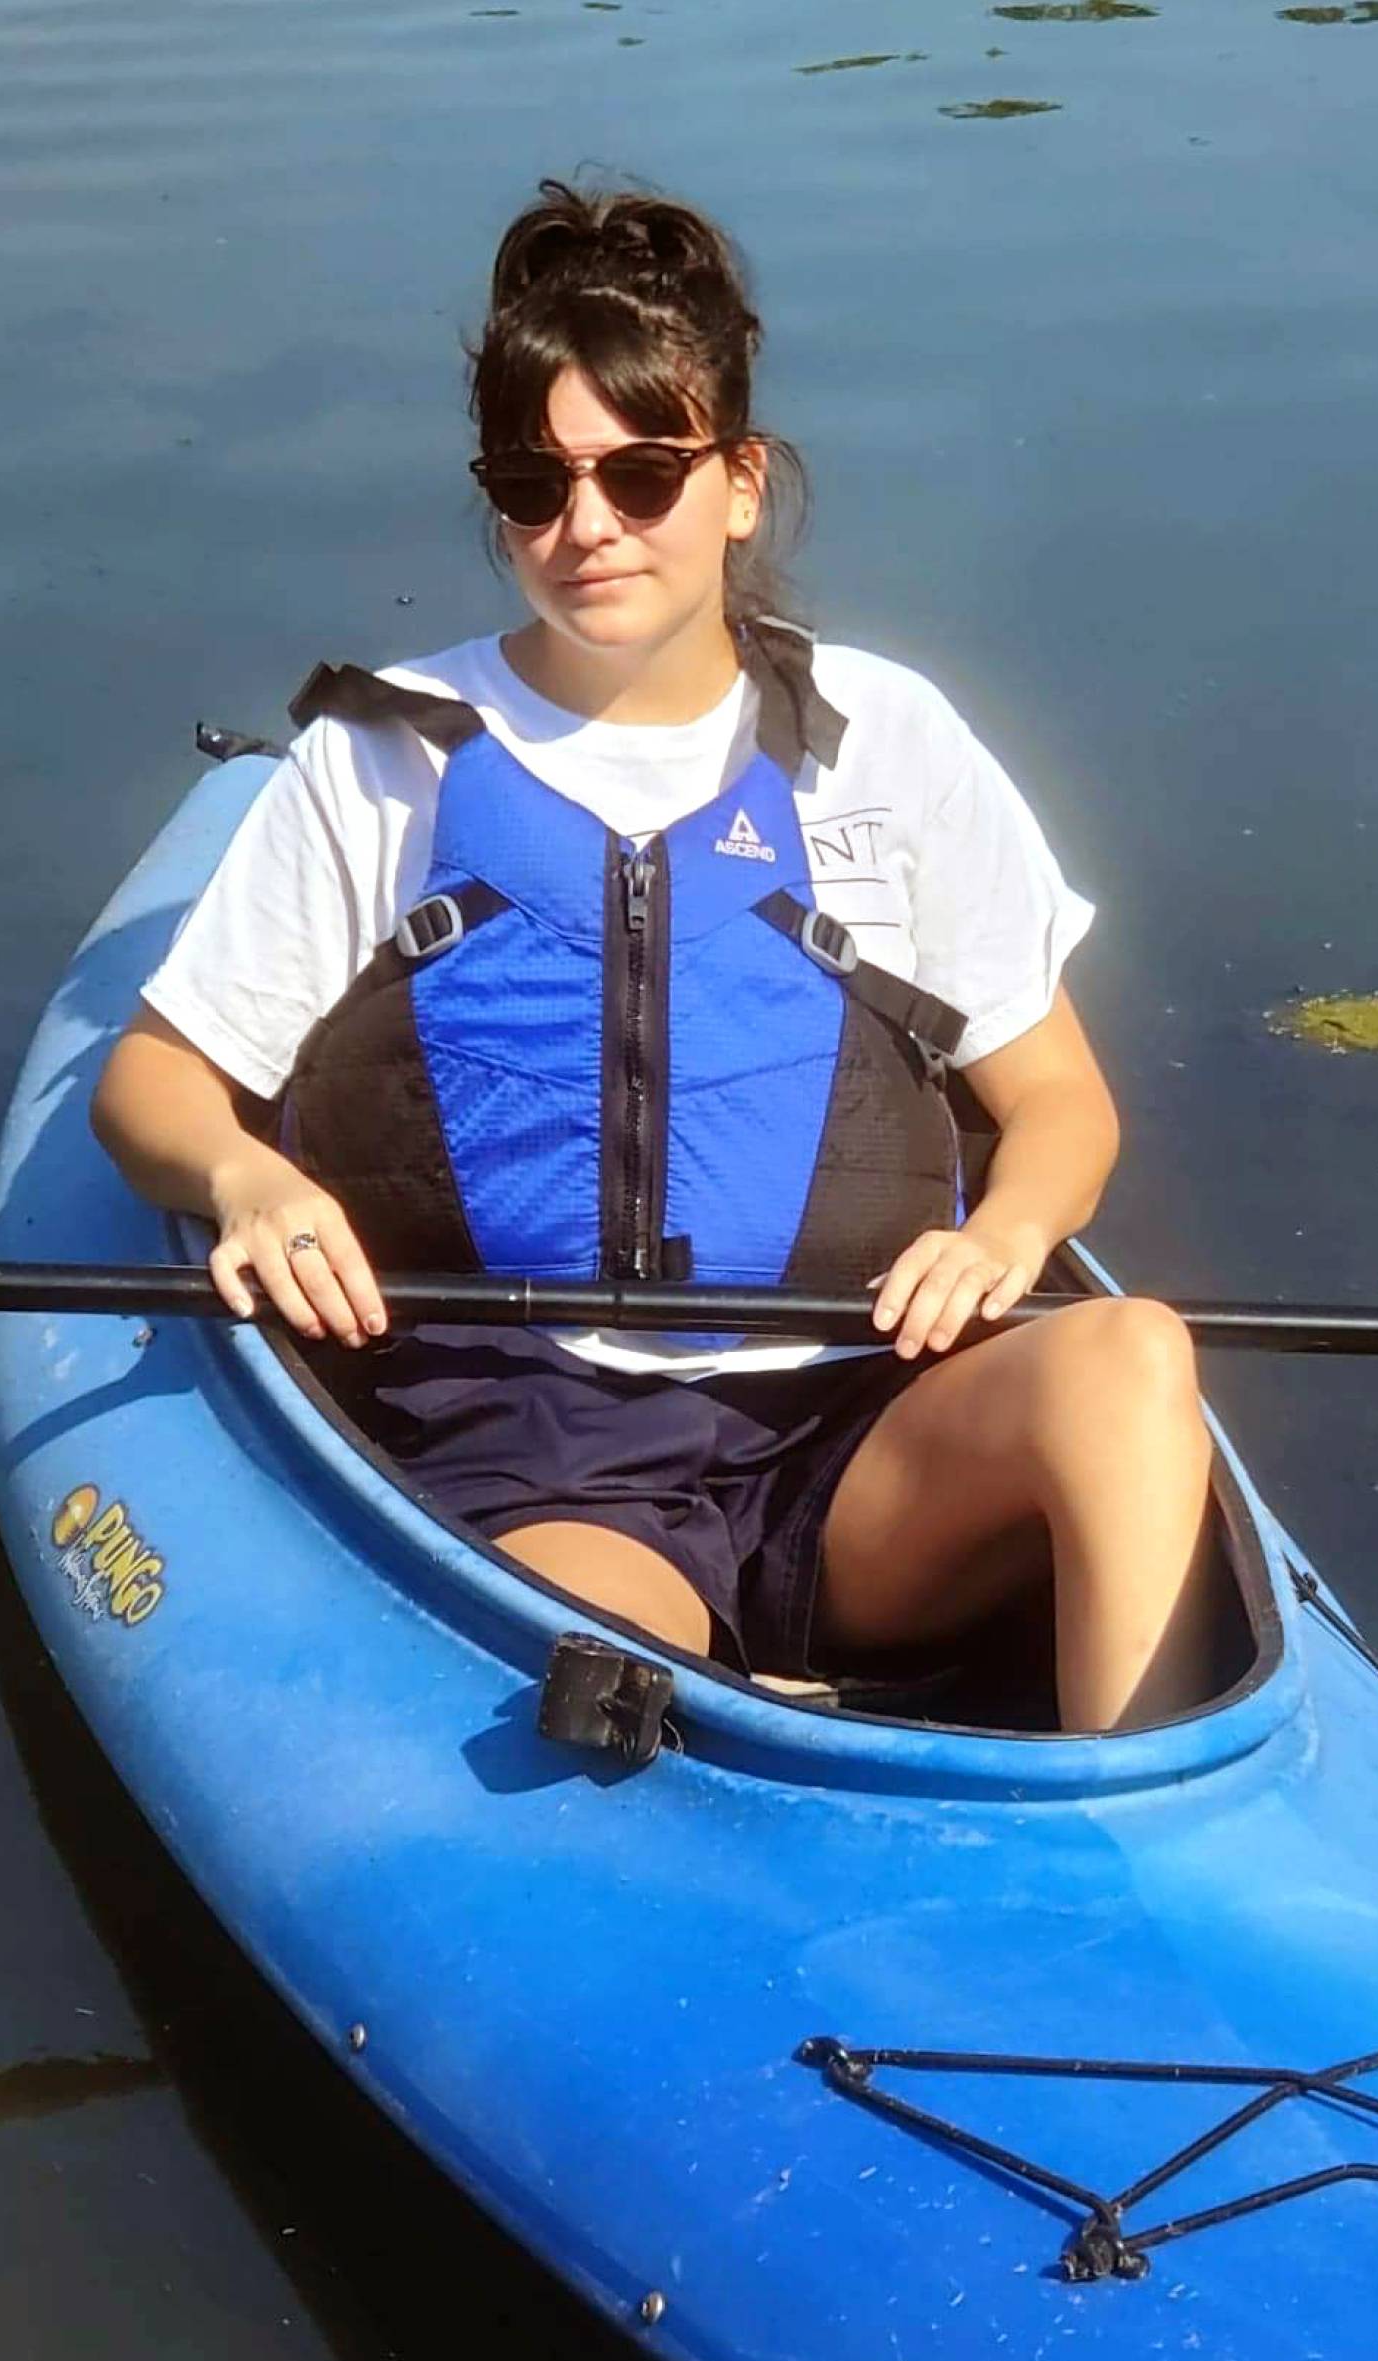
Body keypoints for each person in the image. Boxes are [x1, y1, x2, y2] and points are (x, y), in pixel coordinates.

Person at [89, 178, 1227, 1733]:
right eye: (532, 482)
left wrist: (1007, 1232)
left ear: (741, 484)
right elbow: (150, 1086)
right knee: (616, 1674)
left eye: (641, 472)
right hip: (547, 1440)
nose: (587, 527)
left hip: (851, 1422)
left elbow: (1064, 1111)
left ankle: (1146, 1851)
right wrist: (249, 1179)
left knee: (1134, 1362)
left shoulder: (883, 745)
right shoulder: (389, 758)